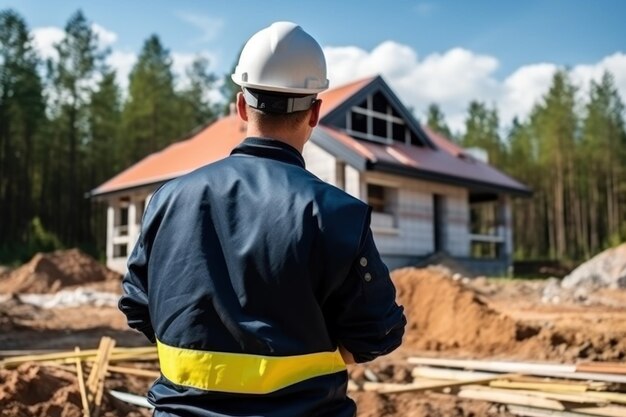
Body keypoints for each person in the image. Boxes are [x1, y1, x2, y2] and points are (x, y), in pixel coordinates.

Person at [119, 21, 406, 417]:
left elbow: (137, 305)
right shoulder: (338, 214)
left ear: (241, 105)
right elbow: (376, 333)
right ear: (315, 112)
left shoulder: (167, 199)